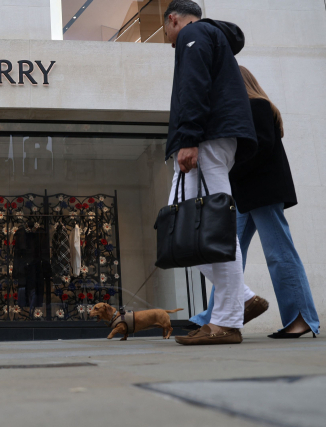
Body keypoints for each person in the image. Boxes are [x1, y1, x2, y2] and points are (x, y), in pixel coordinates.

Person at [189, 66, 320, 339]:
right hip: (245, 194)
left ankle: (301, 318)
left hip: (263, 191)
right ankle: (215, 316)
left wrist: (225, 169)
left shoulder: (257, 106)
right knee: (227, 253)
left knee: (279, 252)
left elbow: (259, 149)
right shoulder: (245, 109)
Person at [160, 0, 258, 345]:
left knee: (213, 227)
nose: (168, 40)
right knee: (185, 230)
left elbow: (193, 86)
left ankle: (227, 321)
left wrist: (188, 138)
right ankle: (241, 298)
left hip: (206, 140)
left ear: (173, 19)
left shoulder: (195, 33)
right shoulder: (211, 36)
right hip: (211, 138)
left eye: (166, 32)